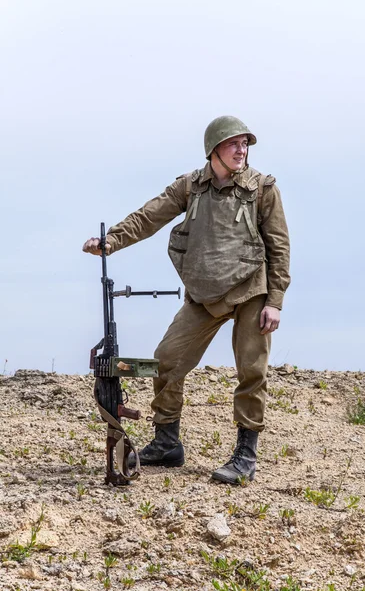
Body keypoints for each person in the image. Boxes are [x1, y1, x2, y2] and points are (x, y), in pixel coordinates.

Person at [82, 115, 290, 485]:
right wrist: (111, 240)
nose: (241, 150)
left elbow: (279, 246)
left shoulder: (262, 188)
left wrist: (275, 299)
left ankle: (245, 454)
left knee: (251, 371)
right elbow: (151, 215)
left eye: (245, 144)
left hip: (251, 291)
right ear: (213, 149)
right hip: (204, 294)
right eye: (233, 144)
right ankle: (166, 441)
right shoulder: (191, 186)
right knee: (166, 361)